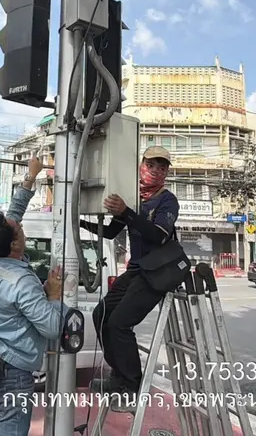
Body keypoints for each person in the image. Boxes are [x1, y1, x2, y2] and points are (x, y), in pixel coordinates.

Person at [80, 146, 189, 411]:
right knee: (101, 315)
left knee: (119, 323)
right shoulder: (133, 197)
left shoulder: (167, 200)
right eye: (151, 165)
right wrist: (79, 222)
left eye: (162, 167)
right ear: (141, 165)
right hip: (137, 269)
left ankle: (132, 386)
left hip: (157, 273)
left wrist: (126, 211)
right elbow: (110, 232)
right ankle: (118, 376)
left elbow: (159, 235)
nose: (156, 171)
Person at [0, 154, 66, 436]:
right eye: (19, 229)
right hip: (9, 376)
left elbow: (14, 213)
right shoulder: (22, 282)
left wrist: (31, 176)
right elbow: (51, 327)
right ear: (14, 244)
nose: (20, 226)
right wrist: (54, 296)